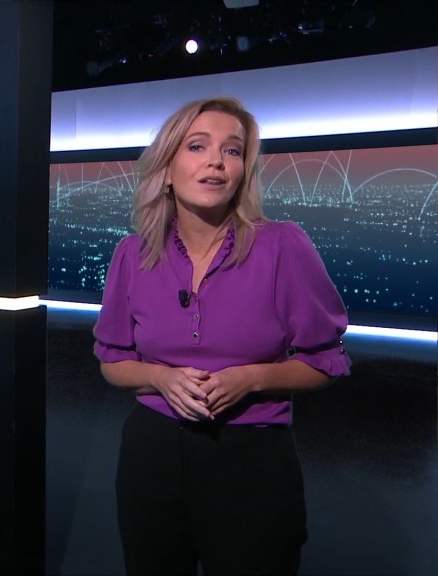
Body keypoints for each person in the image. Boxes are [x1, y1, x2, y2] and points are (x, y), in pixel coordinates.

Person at [93, 96, 351, 576]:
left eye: (232, 151)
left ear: (241, 172)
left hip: (251, 457)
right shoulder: (132, 254)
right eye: (197, 146)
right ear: (166, 170)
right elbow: (112, 361)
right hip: (151, 454)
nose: (216, 161)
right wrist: (161, 378)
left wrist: (250, 379)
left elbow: (325, 362)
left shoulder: (281, 245)